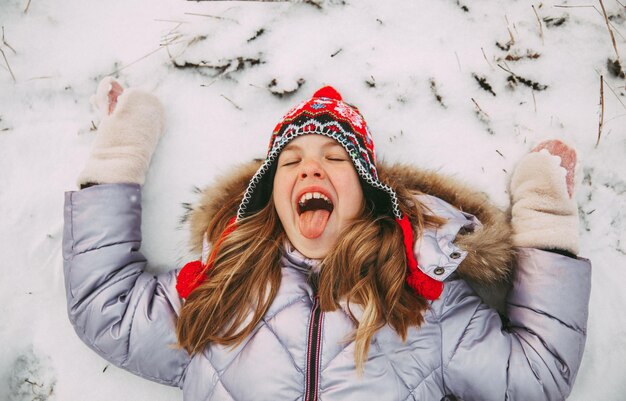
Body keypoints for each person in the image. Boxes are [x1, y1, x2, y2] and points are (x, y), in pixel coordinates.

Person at [63, 79, 591, 401]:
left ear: (368, 196)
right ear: (271, 198)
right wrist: (118, 157)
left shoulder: (420, 304)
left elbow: (535, 374)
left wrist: (544, 217)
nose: (311, 167)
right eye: (290, 162)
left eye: (335, 159)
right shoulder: (221, 293)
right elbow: (107, 309)